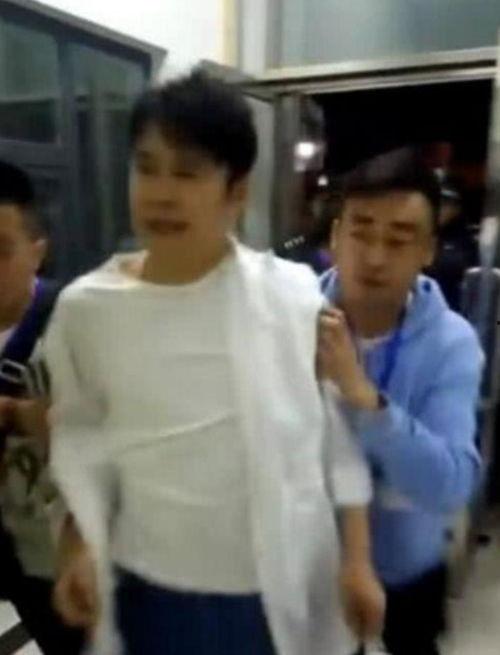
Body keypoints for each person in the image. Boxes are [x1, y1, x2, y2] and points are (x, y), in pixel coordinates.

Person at [44, 71, 384, 655]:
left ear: (236, 190)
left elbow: (337, 441)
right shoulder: (87, 310)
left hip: (266, 592)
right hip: (148, 590)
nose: (161, 193)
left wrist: (357, 561)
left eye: (188, 173)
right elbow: (81, 445)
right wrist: (76, 548)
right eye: (146, 167)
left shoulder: (291, 299)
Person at [318, 148, 483, 655]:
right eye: (361, 232)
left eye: (397, 239)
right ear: (335, 236)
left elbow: (450, 486)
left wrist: (367, 400)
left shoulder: (451, 343)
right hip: (309, 569)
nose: (374, 257)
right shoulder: (293, 317)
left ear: (428, 250)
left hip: (407, 579)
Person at [0, 161, 84, 653]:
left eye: (1, 250)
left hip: (54, 549)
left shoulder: (75, 327)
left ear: (38, 251)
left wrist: (17, 413)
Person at [428, 179, 478, 312]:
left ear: (457, 207)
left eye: (446, 203)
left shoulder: (465, 242)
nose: (440, 209)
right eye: (436, 203)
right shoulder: (421, 233)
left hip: (451, 309)